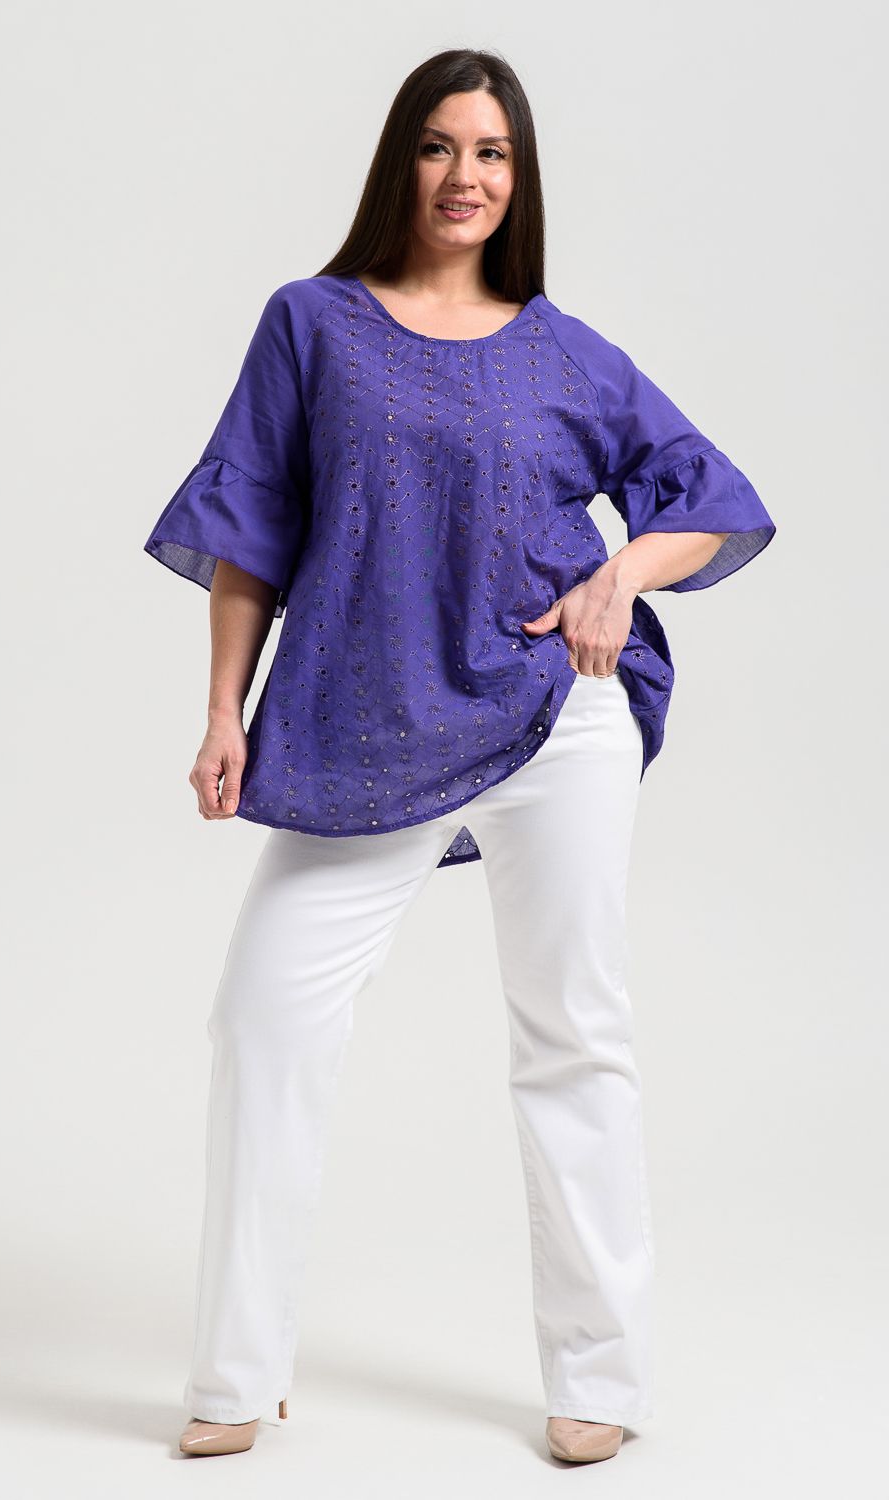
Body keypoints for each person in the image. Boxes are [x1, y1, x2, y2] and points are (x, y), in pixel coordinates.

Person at [143, 48, 776, 1466]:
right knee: (265, 1018)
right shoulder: (311, 323)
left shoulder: (562, 350)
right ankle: (236, 1374)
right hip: (368, 720)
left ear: (519, 177)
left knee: (572, 1026)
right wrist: (224, 711)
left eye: (491, 152)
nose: (465, 176)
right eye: (440, 146)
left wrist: (618, 578)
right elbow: (249, 527)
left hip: (557, 714)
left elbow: (712, 497)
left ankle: (601, 1376)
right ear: (401, 161)